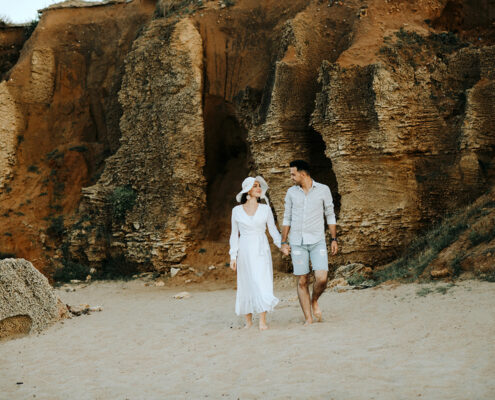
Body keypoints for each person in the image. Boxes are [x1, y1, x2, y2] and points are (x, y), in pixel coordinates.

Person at [281, 160, 338, 325]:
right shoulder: (291, 193)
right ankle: (308, 318)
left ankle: (314, 300)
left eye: (293, 174)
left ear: (303, 174)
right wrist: (284, 241)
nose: (291, 177)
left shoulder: (323, 190)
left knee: (321, 278)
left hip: (317, 240)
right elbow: (287, 218)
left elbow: (330, 214)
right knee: (302, 280)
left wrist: (334, 239)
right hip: (297, 242)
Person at [229, 176, 281, 330]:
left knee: (261, 281)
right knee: (246, 282)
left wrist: (282, 245)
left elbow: (273, 230)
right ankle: (248, 321)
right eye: (255, 186)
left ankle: (262, 320)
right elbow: (234, 234)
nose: (259, 188)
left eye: (259, 186)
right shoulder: (236, 211)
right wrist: (233, 256)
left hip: (261, 248)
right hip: (244, 249)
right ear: (248, 190)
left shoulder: (265, 209)